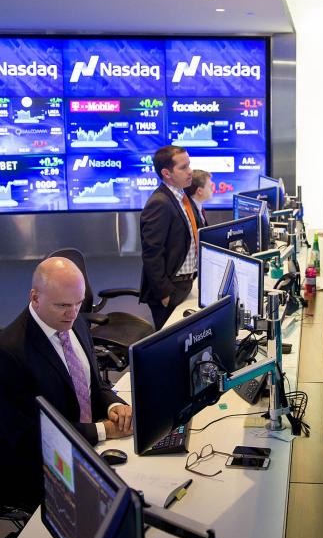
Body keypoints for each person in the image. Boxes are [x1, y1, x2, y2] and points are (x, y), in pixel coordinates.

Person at [0, 257, 132, 511]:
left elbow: (93, 384)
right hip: (44, 468)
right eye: (62, 305)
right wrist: (102, 430)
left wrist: (112, 404)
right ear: (35, 297)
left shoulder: (76, 322)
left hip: (89, 447)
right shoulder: (9, 352)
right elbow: (29, 437)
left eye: (78, 303)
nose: (72, 313)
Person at [139, 146, 198, 330]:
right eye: (183, 167)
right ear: (166, 173)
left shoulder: (182, 196)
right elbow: (151, 253)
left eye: (189, 165)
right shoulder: (160, 203)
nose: (190, 172)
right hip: (172, 288)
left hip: (188, 282)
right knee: (173, 349)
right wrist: (165, 294)